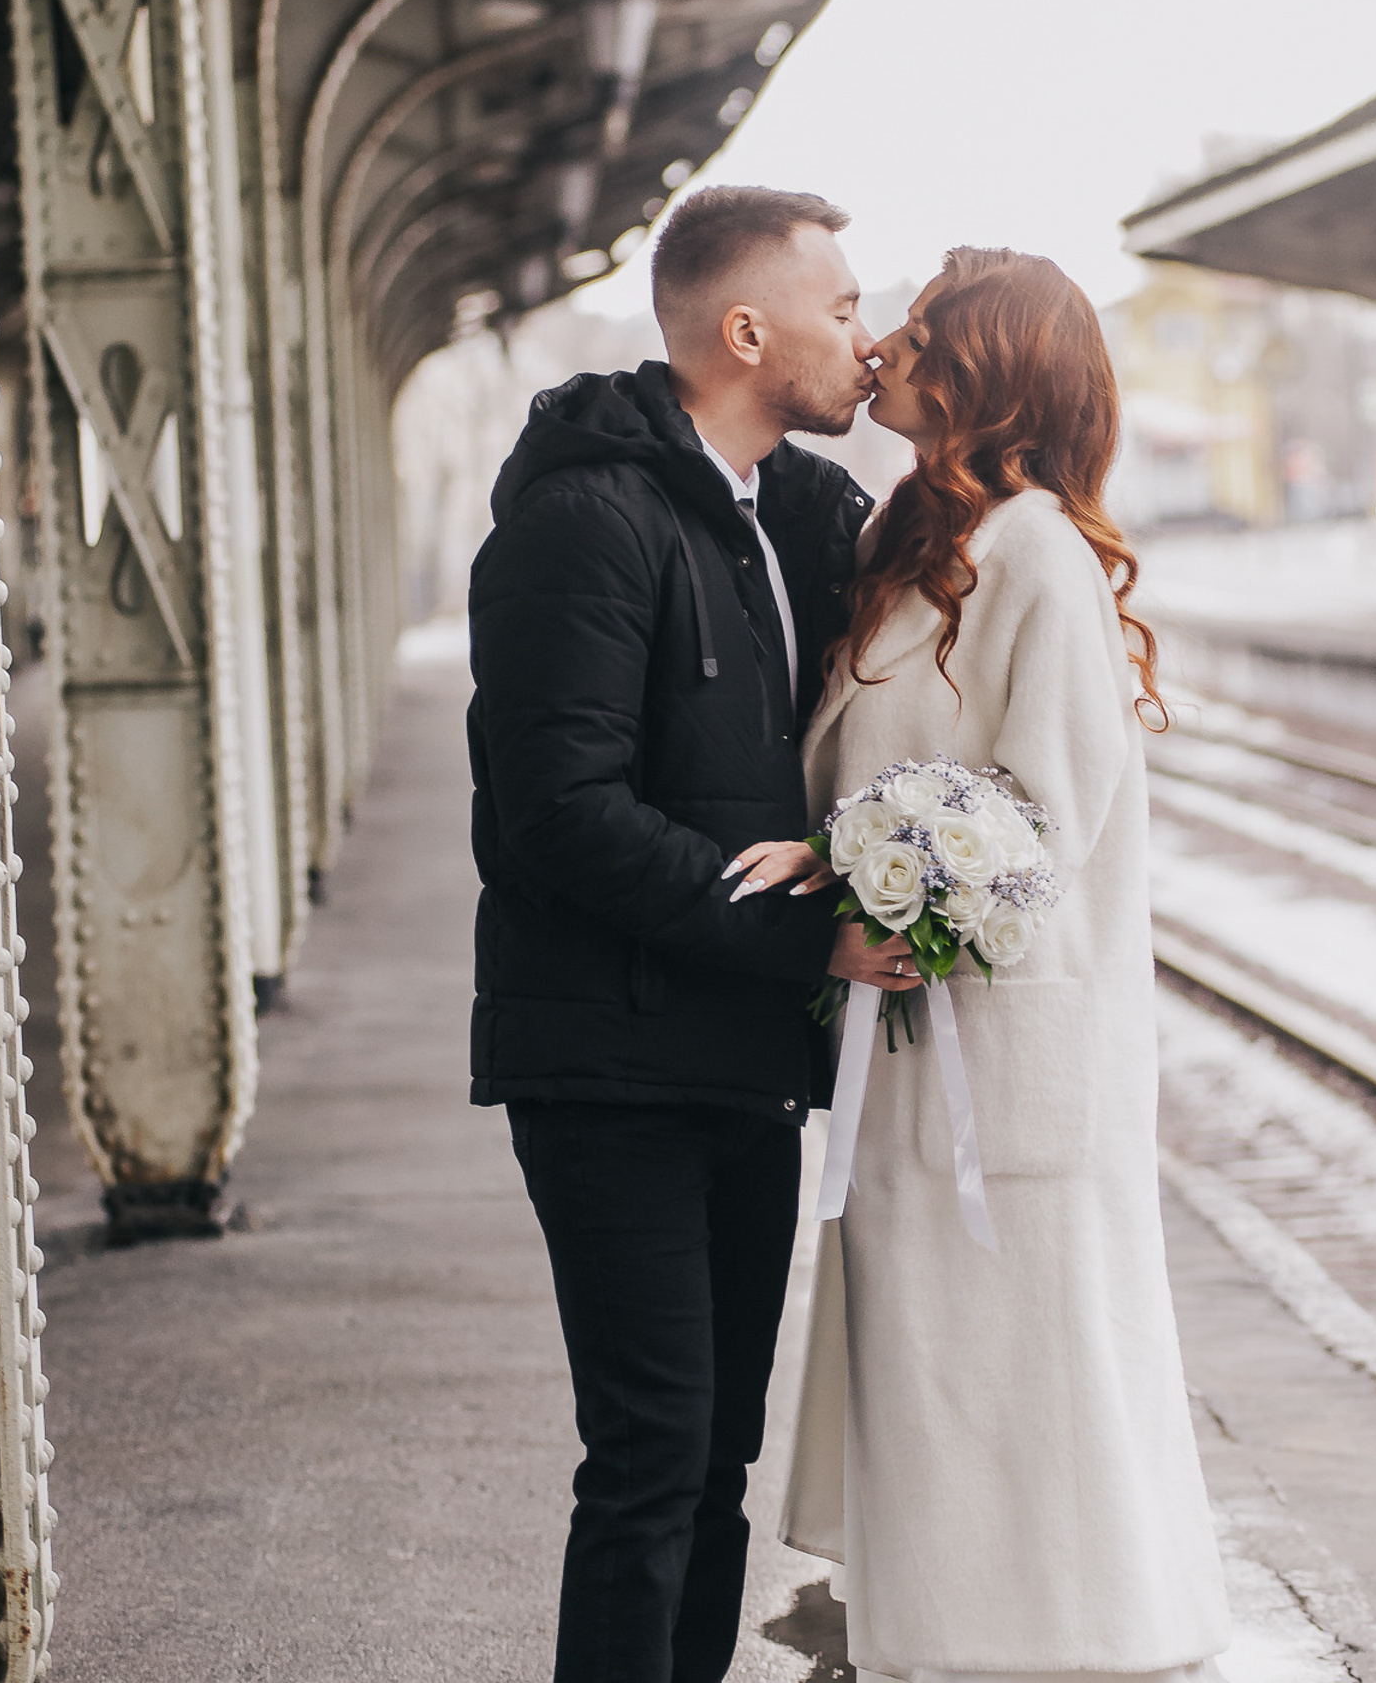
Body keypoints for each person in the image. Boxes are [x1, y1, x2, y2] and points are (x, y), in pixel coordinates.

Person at [731, 249, 1232, 1682]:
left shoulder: (1040, 556)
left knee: (1028, 1366)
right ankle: (933, 1632)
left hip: (1001, 1044)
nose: (882, 345)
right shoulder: (922, 536)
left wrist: (902, 885)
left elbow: (1045, 814)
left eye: (919, 330)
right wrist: (838, 862)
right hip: (916, 1033)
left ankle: (1053, 1645)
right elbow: (900, 776)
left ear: (981, 369)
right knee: (938, 1358)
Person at [467, 186, 918, 1683]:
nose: (868, 336)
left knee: (715, 1458)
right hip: (608, 1063)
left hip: (731, 1061)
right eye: (844, 307)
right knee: (652, 1457)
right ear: (746, 329)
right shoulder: (586, 518)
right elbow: (557, 812)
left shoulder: (787, 513)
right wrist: (816, 942)